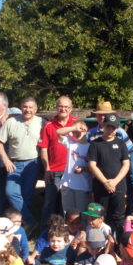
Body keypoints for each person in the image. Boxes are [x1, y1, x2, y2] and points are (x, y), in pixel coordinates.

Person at [0, 97, 43, 227]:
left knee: (26, 196)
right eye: (25, 107)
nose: (28, 110)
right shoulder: (12, 122)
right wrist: (5, 160)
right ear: (21, 108)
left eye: (31, 107)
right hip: (15, 164)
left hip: (32, 164)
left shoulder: (41, 122)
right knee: (10, 192)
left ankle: (21, 224)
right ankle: (31, 221)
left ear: (36, 109)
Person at [87, 113, 130, 236]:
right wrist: (105, 182)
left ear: (117, 129)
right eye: (108, 126)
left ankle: (117, 246)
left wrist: (115, 182)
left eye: (113, 127)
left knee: (118, 217)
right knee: (100, 216)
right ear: (103, 126)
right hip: (101, 187)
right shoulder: (95, 144)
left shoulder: (121, 143)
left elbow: (126, 164)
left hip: (119, 187)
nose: (110, 130)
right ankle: (99, 243)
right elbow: (92, 165)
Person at [39, 96, 78, 228]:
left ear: (71, 109)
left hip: (72, 171)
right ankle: (45, 230)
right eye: (61, 106)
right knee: (49, 202)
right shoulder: (48, 125)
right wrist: (47, 169)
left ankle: (65, 230)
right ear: (56, 107)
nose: (63, 109)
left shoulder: (77, 124)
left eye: (66, 107)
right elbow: (43, 149)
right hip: (54, 170)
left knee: (66, 204)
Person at [55, 120, 92, 216]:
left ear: (85, 130)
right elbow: (58, 132)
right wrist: (73, 128)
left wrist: (84, 169)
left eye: (80, 130)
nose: (77, 133)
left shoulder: (91, 146)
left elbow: (94, 168)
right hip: (67, 184)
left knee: (82, 215)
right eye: (75, 132)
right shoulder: (71, 142)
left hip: (83, 186)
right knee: (67, 214)